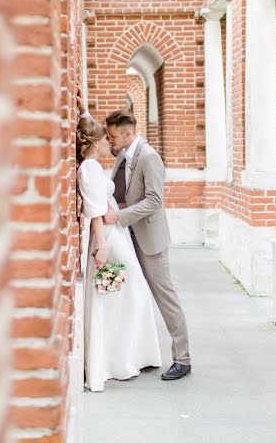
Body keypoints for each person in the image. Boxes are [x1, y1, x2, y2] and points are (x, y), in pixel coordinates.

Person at [78, 88, 192, 381]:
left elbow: (155, 200)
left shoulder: (149, 157)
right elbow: (95, 142)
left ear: (127, 135)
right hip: (126, 237)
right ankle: (136, 352)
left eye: (113, 137)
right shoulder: (122, 156)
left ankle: (183, 358)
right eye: (108, 138)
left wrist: (119, 216)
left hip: (150, 240)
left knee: (164, 296)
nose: (110, 142)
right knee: (133, 296)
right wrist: (83, 112)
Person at [77, 117, 162, 392]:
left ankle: (129, 354)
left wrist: (82, 110)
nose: (108, 143)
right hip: (109, 238)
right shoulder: (89, 168)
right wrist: (102, 245)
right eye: (104, 139)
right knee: (128, 293)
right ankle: (115, 359)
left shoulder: (93, 165)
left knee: (127, 295)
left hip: (117, 233)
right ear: (93, 142)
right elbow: (94, 212)